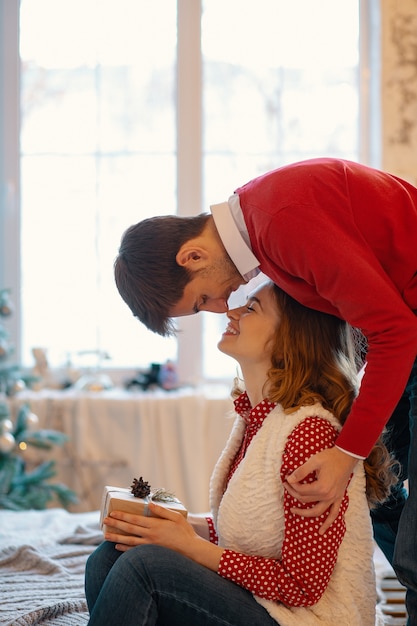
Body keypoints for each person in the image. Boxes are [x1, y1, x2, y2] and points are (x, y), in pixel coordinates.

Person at [114, 157, 417, 624]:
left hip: (408, 332)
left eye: (202, 300)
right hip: (406, 332)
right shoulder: (262, 225)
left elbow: (394, 330)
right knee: (383, 504)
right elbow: (356, 322)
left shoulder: (280, 222)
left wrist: (345, 452)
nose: (221, 309)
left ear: (192, 256)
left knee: (407, 541)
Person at [85, 281, 396, 625]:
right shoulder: (259, 419)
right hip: (266, 605)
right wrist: (174, 526)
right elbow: (254, 534)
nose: (231, 313)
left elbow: (302, 587)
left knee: (144, 567)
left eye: (250, 309)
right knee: (111, 556)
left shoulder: (310, 434)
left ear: (289, 337)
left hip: (306, 618)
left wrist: (189, 545)